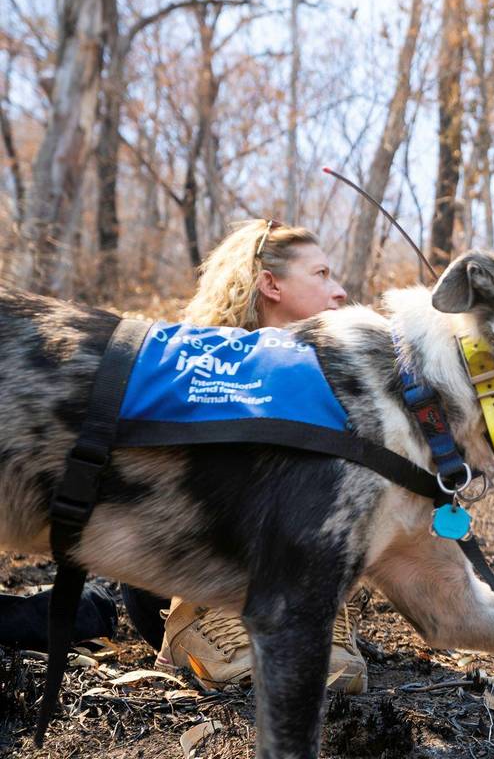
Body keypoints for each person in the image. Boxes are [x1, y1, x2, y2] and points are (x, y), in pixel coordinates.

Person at [122, 218, 363, 693]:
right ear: (270, 283)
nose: (340, 292)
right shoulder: (197, 363)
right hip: (181, 581)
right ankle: (196, 626)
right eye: (321, 275)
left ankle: (316, 613)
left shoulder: (337, 376)